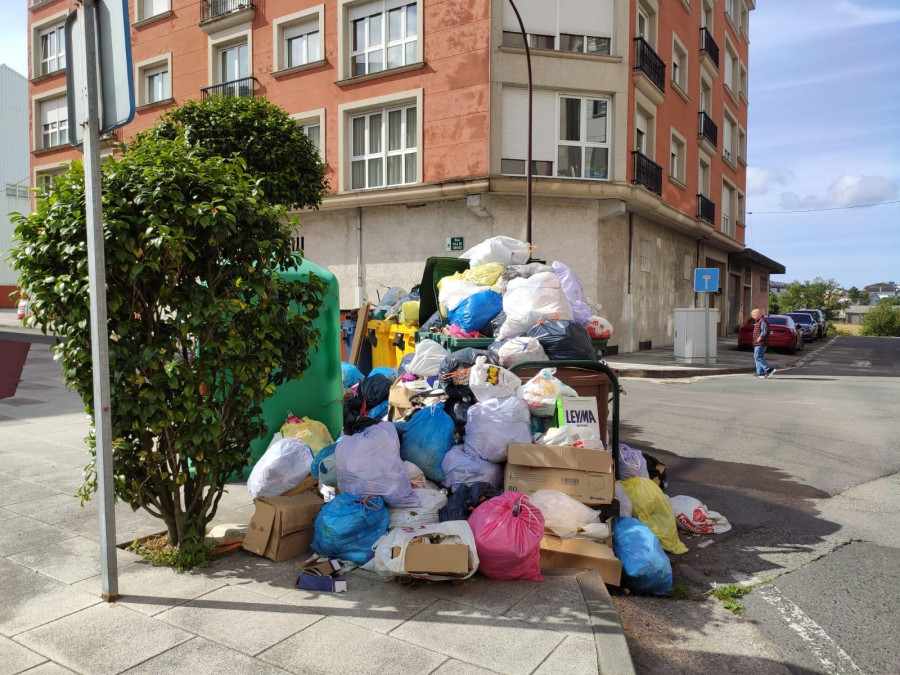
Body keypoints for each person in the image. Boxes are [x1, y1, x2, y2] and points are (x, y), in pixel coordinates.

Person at [750, 308, 776, 378]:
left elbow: (763, 333)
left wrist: (757, 340)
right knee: (757, 357)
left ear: (757, 314)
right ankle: (760, 373)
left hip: (761, 343)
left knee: (758, 357)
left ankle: (769, 369)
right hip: (758, 343)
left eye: (753, 314)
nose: (752, 316)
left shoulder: (763, 321)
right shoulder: (759, 321)